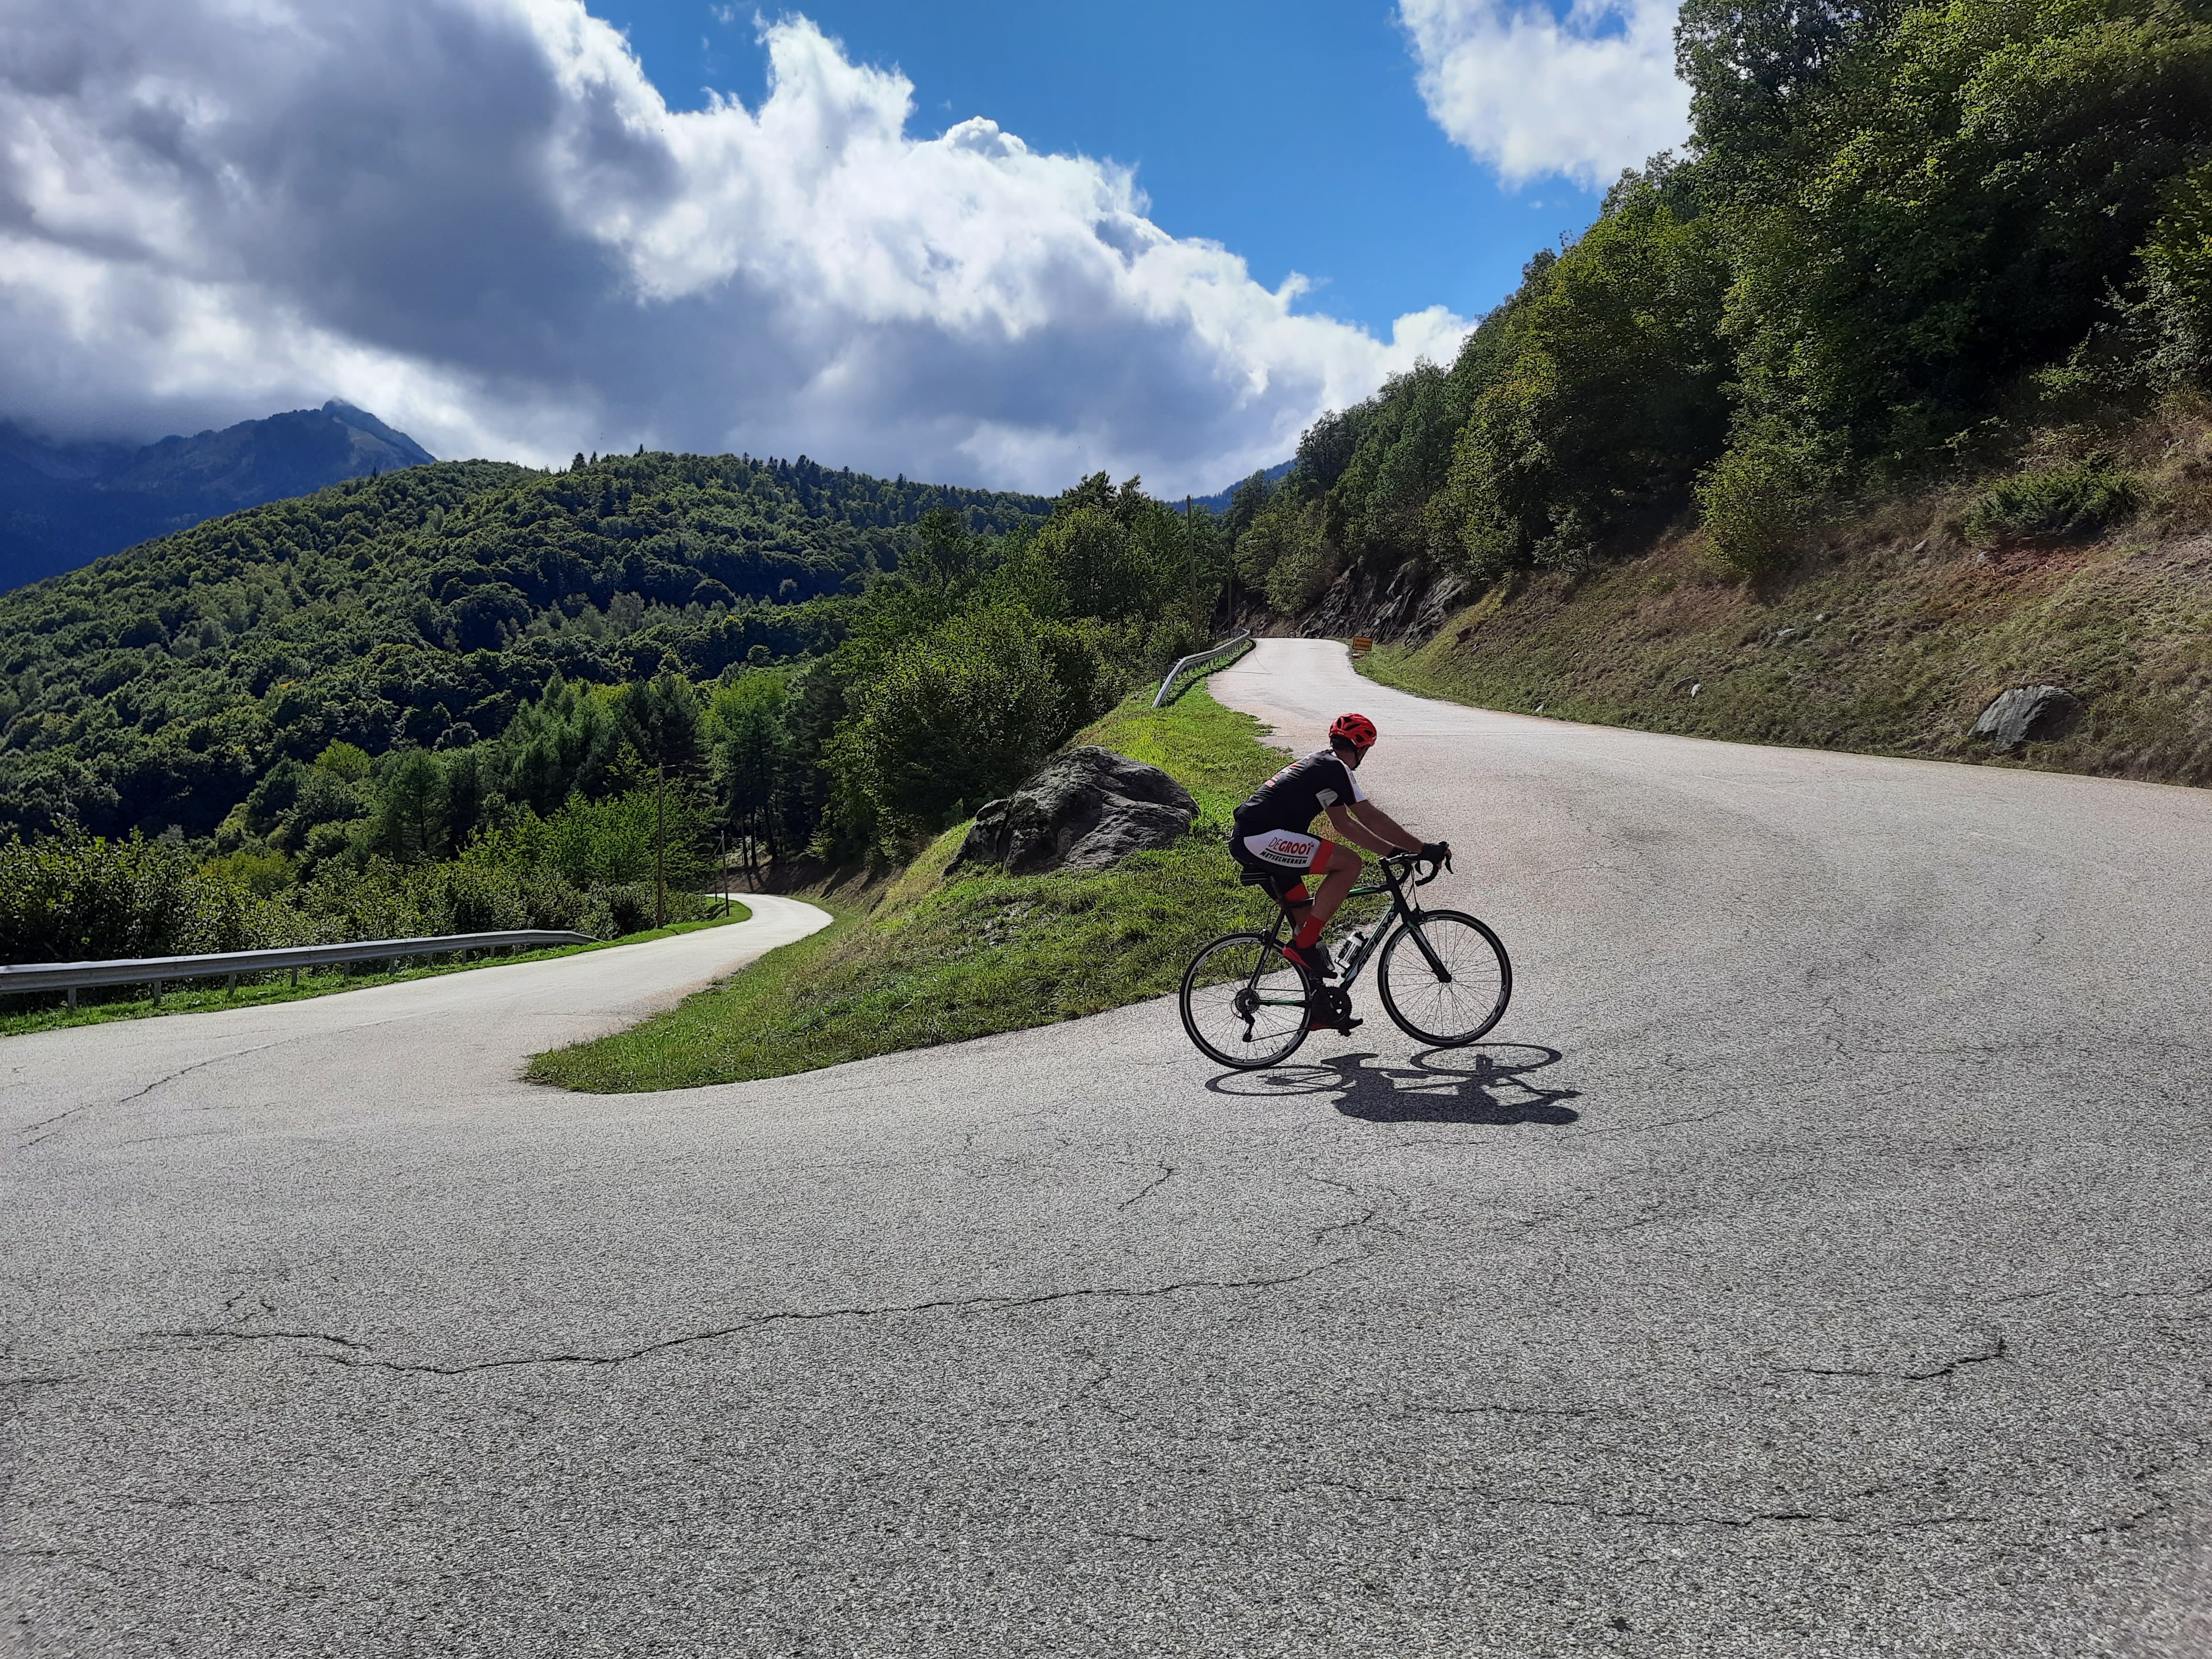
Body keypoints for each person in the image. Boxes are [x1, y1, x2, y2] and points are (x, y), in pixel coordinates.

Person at [1229, 712, 1444, 979]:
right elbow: (1370, 817)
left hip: (1255, 838)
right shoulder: (1335, 767)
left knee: (1307, 920)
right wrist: (1422, 849)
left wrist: (1395, 852)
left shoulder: (1323, 765)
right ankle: (1302, 946)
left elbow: (1345, 825)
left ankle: (1318, 999)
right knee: (1349, 864)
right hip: (1261, 837)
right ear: (1360, 748)